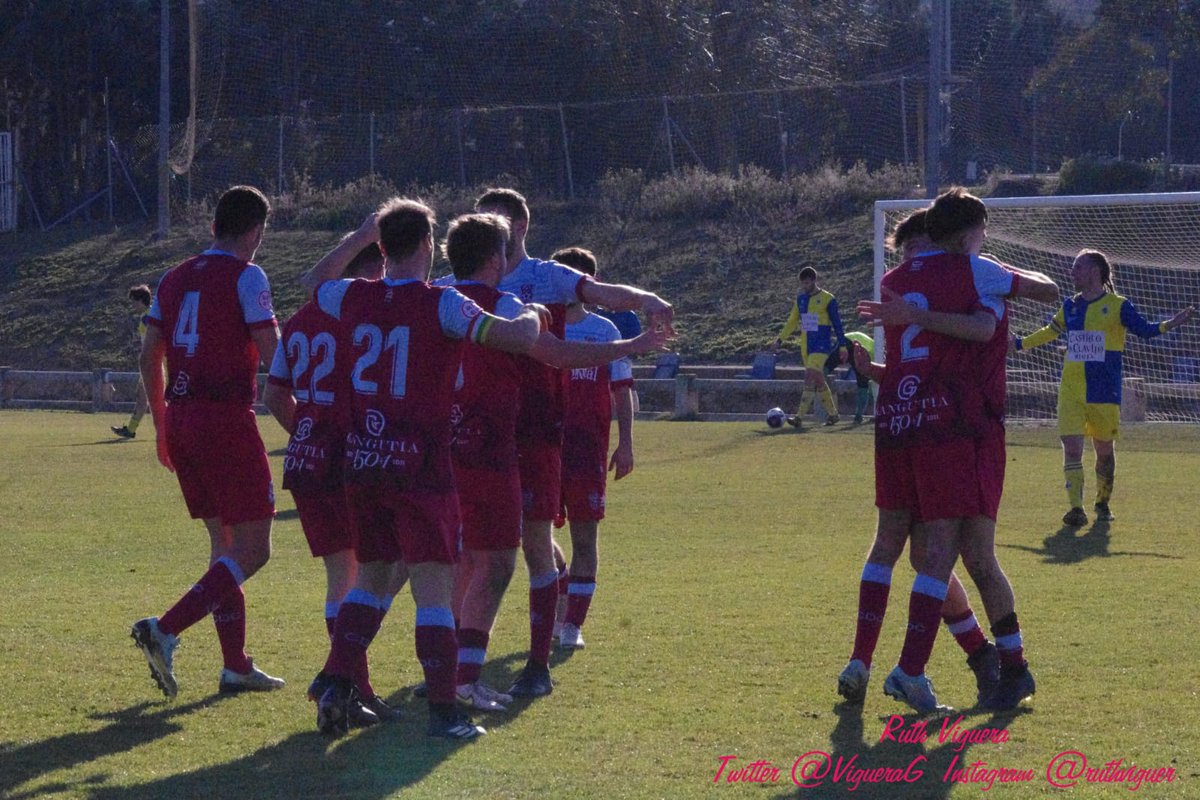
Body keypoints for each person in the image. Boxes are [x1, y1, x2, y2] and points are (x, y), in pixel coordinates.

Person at [298, 199, 548, 740]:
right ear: (430, 247)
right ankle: (444, 712)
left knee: (368, 582)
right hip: (420, 468)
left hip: (363, 461)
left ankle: (337, 681)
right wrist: (527, 311)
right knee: (433, 592)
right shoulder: (444, 305)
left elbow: (313, 280)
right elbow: (521, 339)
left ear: (381, 248)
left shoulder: (354, 294)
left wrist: (356, 234)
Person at [445, 222, 669, 712]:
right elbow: (558, 352)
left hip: (457, 445)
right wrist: (635, 343)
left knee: (465, 559)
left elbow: (599, 293)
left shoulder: (438, 298)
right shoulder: (508, 305)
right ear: (496, 257)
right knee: (497, 560)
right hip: (502, 445)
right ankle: (461, 676)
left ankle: (487, 669)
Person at [856, 187, 1057, 713]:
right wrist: (1003, 272)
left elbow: (969, 333)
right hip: (968, 427)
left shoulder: (896, 282)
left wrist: (911, 321)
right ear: (970, 235)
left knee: (944, 554)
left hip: (911, 422)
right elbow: (1032, 301)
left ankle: (993, 663)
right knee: (961, 555)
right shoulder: (977, 271)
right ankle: (998, 666)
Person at [130, 185, 285, 699]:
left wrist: (159, 425)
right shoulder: (247, 275)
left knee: (224, 548)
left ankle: (236, 665)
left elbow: (150, 355)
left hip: (182, 419)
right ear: (256, 231)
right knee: (255, 548)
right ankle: (166, 627)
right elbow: (273, 355)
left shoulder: (174, 278)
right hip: (225, 421)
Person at [263, 240, 405, 728]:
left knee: (341, 575)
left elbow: (274, 393)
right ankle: (346, 683)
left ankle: (339, 678)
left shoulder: (300, 319)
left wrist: (307, 431)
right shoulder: (364, 315)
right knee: (375, 570)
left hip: (308, 457)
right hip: (354, 458)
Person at [1012, 249, 1194, 526]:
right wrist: (1018, 344)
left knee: (1104, 450)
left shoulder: (1119, 305)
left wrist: (1171, 324)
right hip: (1071, 388)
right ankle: (1076, 508)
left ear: (1094, 271)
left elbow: (1144, 330)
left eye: (1077, 267)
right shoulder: (1070, 306)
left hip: (1103, 390)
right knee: (1071, 447)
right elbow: (1051, 331)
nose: (1072, 273)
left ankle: (1102, 502)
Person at [549, 247, 639, 650]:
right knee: (523, 532)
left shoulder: (605, 332)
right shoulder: (534, 325)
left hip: (586, 452)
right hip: (540, 447)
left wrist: (626, 445)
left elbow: (622, 391)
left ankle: (572, 625)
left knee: (586, 538)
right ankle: (561, 580)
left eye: (578, 280)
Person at [772, 266, 847, 427]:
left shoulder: (828, 299)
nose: (805, 287)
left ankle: (799, 416)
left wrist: (842, 346)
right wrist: (780, 339)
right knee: (814, 378)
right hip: (806, 344)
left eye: (807, 283)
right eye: (802, 284)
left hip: (822, 344)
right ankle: (833, 414)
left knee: (811, 374)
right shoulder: (801, 299)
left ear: (814, 280)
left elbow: (837, 324)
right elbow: (792, 321)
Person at [111, 284, 153, 439]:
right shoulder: (151, 314)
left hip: (154, 363)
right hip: (153, 362)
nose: (133, 305)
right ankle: (130, 429)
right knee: (143, 397)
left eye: (134, 302)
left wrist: (147, 356)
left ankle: (167, 431)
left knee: (147, 397)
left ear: (141, 300)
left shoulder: (148, 317)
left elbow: (155, 340)